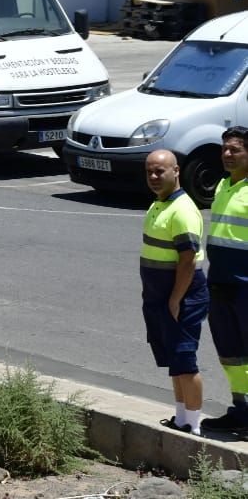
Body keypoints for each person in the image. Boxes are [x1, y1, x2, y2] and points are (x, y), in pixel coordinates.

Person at [140, 149, 208, 435]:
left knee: (185, 359)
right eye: (149, 172)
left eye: (160, 171)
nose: (154, 177)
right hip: (160, 296)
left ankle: (194, 426)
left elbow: (187, 260)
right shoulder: (160, 204)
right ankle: (181, 419)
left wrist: (176, 300)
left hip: (181, 296)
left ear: (176, 171)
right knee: (174, 360)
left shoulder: (182, 210)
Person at [204, 128, 248, 435]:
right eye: (225, 149)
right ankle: (241, 411)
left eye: (235, 149)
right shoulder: (223, 184)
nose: (227, 154)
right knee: (231, 354)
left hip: (245, 285)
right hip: (220, 281)